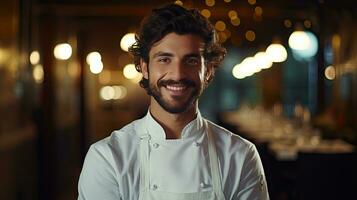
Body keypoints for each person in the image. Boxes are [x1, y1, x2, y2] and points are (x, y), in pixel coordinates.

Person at [78, 3, 269, 200]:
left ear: (209, 71)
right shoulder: (108, 158)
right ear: (144, 68)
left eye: (191, 60)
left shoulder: (240, 155)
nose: (177, 74)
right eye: (164, 59)